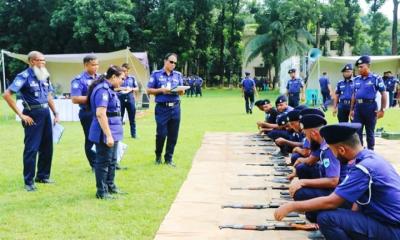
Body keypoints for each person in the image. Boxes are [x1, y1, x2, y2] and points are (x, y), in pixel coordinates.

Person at [275, 123, 400, 240]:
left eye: (333, 150)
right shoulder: (369, 158)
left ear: (341, 150)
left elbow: (332, 202)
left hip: (392, 228)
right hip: (385, 221)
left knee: (327, 218)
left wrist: (292, 206)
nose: (333, 155)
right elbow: (359, 200)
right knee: (339, 216)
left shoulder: (363, 168)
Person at [2, 51, 59, 191]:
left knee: (47, 147)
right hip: (32, 114)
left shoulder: (44, 75)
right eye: (41, 60)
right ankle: (29, 182)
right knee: (32, 148)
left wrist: (55, 112)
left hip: (45, 113)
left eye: (44, 60)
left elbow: (49, 95)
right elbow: (7, 95)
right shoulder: (24, 76)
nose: (43, 63)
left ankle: (43, 176)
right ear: (32, 61)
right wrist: (21, 115)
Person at [87, 66, 125, 199]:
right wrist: (108, 135)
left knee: (112, 160)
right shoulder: (102, 90)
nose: (122, 81)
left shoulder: (109, 89)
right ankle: (101, 191)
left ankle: (110, 186)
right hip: (105, 131)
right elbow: (101, 114)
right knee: (103, 162)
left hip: (113, 129)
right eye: (121, 78)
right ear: (113, 77)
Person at [147, 53, 185, 167]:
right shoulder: (156, 74)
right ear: (165, 61)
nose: (173, 64)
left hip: (175, 107)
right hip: (162, 108)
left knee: (173, 135)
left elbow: (182, 91)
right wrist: (161, 90)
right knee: (162, 134)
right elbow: (149, 90)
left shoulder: (178, 75)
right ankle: (158, 156)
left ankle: (169, 158)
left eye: (175, 63)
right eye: (171, 62)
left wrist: (180, 90)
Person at [350, 55, 386, 150]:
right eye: (358, 67)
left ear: (368, 66)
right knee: (357, 131)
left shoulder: (376, 78)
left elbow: (384, 94)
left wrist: (382, 109)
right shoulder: (356, 80)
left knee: (370, 131)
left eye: (361, 66)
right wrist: (351, 109)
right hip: (358, 108)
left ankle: (371, 151)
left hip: (370, 107)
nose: (359, 69)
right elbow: (354, 95)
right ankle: (360, 151)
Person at [71, 55, 99, 170]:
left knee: (103, 137)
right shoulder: (79, 80)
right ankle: (94, 165)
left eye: (97, 64)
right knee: (90, 138)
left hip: (100, 111)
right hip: (87, 113)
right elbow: (75, 98)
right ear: (86, 65)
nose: (96, 67)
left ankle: (106, 162)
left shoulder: (100, 77)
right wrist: (93, 97)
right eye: (93, 65)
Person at [118, 63, 139, 138]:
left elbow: (137, 88)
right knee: (119, 118)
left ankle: (134, 134)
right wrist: (122, 89)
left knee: (132, 118)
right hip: (120, 98)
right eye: (122, 70)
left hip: (130, 99)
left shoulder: (132, 78)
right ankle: (119, 135)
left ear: (128, 71)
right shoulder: (118, 78)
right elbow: (115, 88)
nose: (124, 72)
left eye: (125, 71)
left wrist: (131, 89)